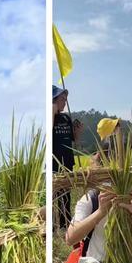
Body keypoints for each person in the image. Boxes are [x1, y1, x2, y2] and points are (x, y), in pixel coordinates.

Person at [53, 85, 83, 229]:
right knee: (53, 193)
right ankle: (52, 224)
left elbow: (74, 140)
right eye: (62, 99)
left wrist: (77, 131)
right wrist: (53, 110)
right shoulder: (50, 117)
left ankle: (65, 223)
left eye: (65, 100)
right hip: (54, 161)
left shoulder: (65, 117)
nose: (64, 102)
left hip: (67, 160)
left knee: (66, 194)